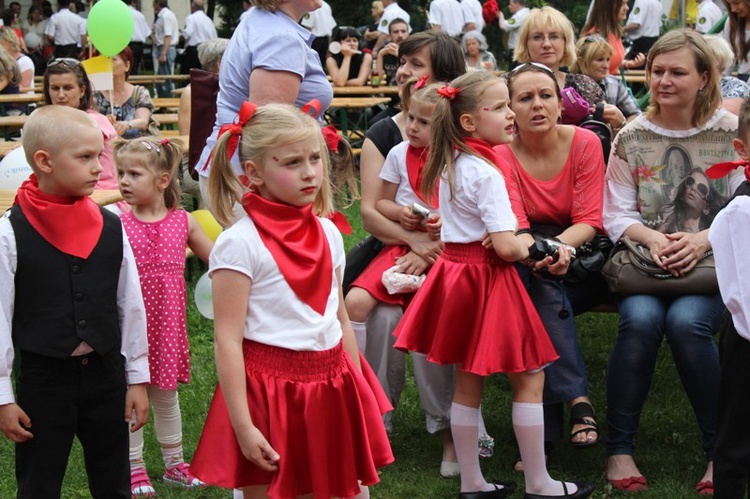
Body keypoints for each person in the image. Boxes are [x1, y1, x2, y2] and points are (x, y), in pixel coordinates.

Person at [394, 70, 594, 499]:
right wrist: (539, 250)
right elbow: (506, 247)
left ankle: (473, 482)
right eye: (501, 107)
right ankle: (539, 483)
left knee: (469, 381)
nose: (510, 115)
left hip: (457, 276)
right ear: (469, 122)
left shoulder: (451, 162)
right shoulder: (488, 172)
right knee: (530, 378)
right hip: (487, 280)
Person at [190, 102, 394, 498]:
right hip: (270, 391)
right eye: (292, 162)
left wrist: (356, 388)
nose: (310, 172)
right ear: (254, 173)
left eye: (315, 158)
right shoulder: (238, 244)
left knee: (343, 487)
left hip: (333, 382)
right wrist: (244, 426)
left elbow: (336, 315)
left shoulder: (329, 233)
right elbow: (227, 340)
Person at [602, 29, 744, 494]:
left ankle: (717, 452)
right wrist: (654, 239)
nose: (663, 80)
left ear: (705, 77)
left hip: (713, 265)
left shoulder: (730, 133)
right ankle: (619, 450)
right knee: (640, 322)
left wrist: (703, 240)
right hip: (647, 264)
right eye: (657, 70)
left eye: (677, 72)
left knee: (688, 324)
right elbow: (617, 214)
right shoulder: (632, 135)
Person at [0, 104, 150, 498]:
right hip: (44, 380)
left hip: (105, 375)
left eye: (97, 156)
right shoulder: (9, 233)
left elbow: (128, 303)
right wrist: (3, 395)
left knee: (113, 479)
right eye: (84, 158)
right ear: (44, 162)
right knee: (38, 482)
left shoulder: (113, 225)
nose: (99, 168)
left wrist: (136, 376)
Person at [358, 29, 466, 477]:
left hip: (447, 253)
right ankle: (370, 418)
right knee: (375, 315)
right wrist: (415, 242)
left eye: (415, 64)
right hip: (396, 246)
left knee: (427, 320)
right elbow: (371, 208)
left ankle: (448, 429)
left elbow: (470, 209)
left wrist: (429, 249)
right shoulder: (389, 136)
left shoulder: (461, 142)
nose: (403, 70)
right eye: (402, 62)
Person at [495, 62, 607, 469]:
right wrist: (542, 255)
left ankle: (541, 438)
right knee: (537, 290)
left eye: (545, 95)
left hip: (583, 261)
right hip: (530, 256)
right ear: (510, 110)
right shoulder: (501, 155)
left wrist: (557, 251)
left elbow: (590, 220)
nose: (537, 105)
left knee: (535, 292)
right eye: (524, 98)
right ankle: (577, 399)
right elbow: (516, 226)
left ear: (561, 104)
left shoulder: (585, 142)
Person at [113, 136, 214, 497]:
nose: (123, 180)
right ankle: (134, 468)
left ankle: (175, 464)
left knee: (166, 397)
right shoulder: (117, 224)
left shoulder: (183, 222)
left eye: (133, 173)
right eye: (121, 172)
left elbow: (219, 260)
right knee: (131, 396)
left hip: (168, 328)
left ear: (161, 180)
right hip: (130, 329)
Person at [196, 0, 334, 216]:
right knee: (265, 249)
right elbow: (269, 129)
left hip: (242, 171)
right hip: (255, 182)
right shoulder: (280, 38)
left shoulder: (265, 23)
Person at [347, 78, 441, 366]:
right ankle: (356, 381)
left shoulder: (456, 161)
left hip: (444, 252)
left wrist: (441, 230)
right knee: (354, 303)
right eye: (411, 116)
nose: (412, 127)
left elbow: (469, 216)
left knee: (437, 312)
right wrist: (400, 214)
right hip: (399, 245)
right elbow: (381, 203)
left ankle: (442, 407)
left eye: (423, 122)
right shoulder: (399, 154)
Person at [710, 99, 750, 498]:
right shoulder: (741, 211)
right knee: (737, 433)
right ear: (742, 150)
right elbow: (743, 293)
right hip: (747, 339)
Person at [44, 58, 122, 204]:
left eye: (67, 88)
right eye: (55, 88)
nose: (60, 95)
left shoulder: (93, 121)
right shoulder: (51, 122)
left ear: (82, 90)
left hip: (103, 196)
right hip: (68, 195)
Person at [514, 6, 604, 119]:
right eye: (537, 37)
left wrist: (618, 123)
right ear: (525, 44)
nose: (546, 44)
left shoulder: (584, 86)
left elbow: (604, 132)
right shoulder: (508, 85)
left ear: (565, 42)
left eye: (554, 36)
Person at [572, 35, 640, 130]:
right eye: (600, 60)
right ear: (581, 60)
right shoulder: (568, 85)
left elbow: (635, 114)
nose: (606, 65)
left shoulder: (615, 84)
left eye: (608, 59)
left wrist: (622, 127)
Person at [94, 47, 155, 139]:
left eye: (113, 60)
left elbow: (143, 122)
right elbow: (89, 123)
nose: (107, 64)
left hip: (134, 148)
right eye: (103, 60)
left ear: (127, 65)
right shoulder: (94, 94)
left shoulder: (139, 92)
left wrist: (127, 125)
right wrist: (104, 121)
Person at [582, 0, 645, 74]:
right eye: (622, 4)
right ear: (609, 8)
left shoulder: (613, 33)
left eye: (626, 3)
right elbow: (595, 70)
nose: (627, 8)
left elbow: (611, 62)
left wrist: (627, 64)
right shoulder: (595, 37)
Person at [704, 34, 750, 115]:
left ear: (716, 60)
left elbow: (724, 115)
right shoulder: (692, 85)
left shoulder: (736, 86)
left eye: (698, 56)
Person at [181, 0, 218, 77]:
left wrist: (180, 38)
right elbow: (214, 37)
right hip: (207, 51)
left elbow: (187, 34)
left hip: (194, 51)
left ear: (193, 7)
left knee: (189, 75)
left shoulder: (191, 18)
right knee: (203, 75)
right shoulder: (208, 20)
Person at [151, 0, 179, 98]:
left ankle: (168, 100)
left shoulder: (165, 16)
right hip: (164, 48)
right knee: (160, 79)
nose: (153, 6)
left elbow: (168, 36)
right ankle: (164, 100)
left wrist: (163, 53)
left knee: (165, 79)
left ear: (158, 3)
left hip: (166, 49)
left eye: (154, 3)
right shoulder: (162, 15)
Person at [300, 0, 336, 71]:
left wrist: (304, 45)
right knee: (320, 67)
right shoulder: (326, 6)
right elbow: (329, 28)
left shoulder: (311, 4)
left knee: (309, 66)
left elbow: (308, 27)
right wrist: (329, 45)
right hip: (325, 40)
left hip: (314, 40)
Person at [497, 0, 530, 70]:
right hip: (525, 49)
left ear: (516, 4)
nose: (509, 6)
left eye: (510, 4)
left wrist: (500, 16)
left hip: (517, 51)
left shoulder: (519, 16)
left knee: (513, 73)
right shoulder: (528, 13)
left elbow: (503, 26)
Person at [375, 17, 408, 85]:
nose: (400, 35)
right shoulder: (384, 52)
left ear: (408, 34)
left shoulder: (415, 52)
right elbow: (377, 81)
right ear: (389, 36)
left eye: (403, 31)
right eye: (396, 32)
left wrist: (399, 56)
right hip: (388, 93)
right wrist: (380, 55)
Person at [125, 0, 151, 76]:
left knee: (128, 68)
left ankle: (131, 84)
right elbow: (147, 32)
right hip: (140, 45)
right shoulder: (140, 15)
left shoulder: (122, 13)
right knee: (135, 67)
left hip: (129, 44)